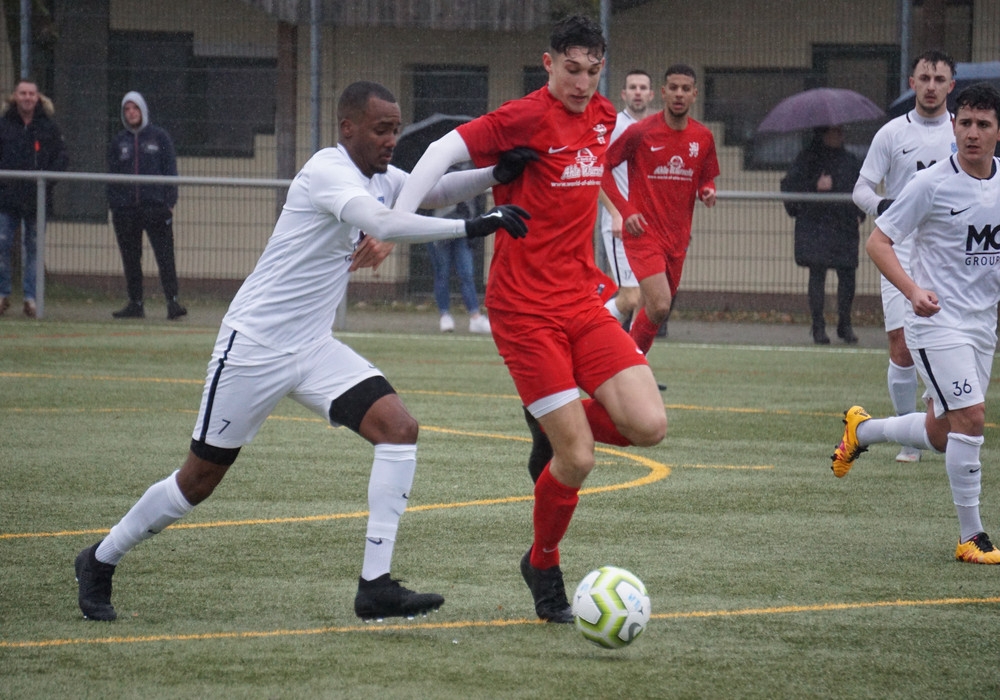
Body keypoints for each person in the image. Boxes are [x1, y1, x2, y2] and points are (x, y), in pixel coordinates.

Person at [74, 80, 532, 622]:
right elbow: (384, 223)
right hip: (254, 348)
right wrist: (474, 226)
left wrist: (494, 176)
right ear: (348, 128)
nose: (391, 140)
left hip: (313, 349)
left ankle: (375, 586)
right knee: (197, 480)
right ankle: (99, 559)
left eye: (394, 129)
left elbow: (432, 191)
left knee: (399, 428)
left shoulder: (382, 176)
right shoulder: (326, 171)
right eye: (381, 130)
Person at [393, 15, 667, 624]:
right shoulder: (524, 116)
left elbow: (631, 159)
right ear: (548, 64)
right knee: (579, 458)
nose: (582, 82)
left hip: (581, 299)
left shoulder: (604, 118)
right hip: (522, 309)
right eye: (571, 69)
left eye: (593, 71)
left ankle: (552, 419)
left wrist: (632, 213)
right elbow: (440, 153)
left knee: (650, 425)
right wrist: (394, 228)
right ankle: (543, 563)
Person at [832, 82, 1000, 565]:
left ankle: (861, 431)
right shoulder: (930, 184)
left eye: (982, 125)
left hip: (980, 326)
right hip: (935, 323)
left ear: (996, 131)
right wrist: (913, 291)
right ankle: (972, 536)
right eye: (964, 123)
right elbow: (879, 243)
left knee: (943, 431)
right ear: (954, 126)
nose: (971, 133)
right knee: (971, 419)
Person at [853, 50, 957, 463]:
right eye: (924, 78)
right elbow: (861, 190)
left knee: (946, 340)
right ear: (912, 83)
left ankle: (942, 421)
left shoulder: (963, 131)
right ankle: (908, 435)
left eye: (940, 79)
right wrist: (886, 207)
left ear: (952, 86)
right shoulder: (892, 133)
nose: (931, 86)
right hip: (900, 248)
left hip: (950, 252)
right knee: (900, 345)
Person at [601, 64, 719, 354]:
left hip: (677, 238)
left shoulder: (702, 137)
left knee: (651, 309)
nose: (679, 94)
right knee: (659, 303)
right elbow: (603, 168)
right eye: (674, 88)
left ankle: (624, 367)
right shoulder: (640, 132)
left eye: (685, 89)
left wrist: (707, 190)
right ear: (664, 93)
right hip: (643, 234)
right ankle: (622, 362)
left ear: (694, 94)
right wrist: (625, 210)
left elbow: (706, 175)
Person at [781, 126, 865, 344]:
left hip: (844, 226)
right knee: (817, 275)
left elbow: (862, 188)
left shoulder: (850, 160)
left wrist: (859, 213)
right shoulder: (807, 158)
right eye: (834, 131)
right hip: (816, 226)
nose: (840, 135)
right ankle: (818, 326)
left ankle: (844, 324)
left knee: (847, 276)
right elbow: (790, 188)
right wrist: (815, 186)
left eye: (841, 131)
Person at [107, 92, 186, 320]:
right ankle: (135, 303)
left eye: (135, 108)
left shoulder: (160, 138)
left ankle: (172, 302)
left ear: (143, 110)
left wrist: (169, 203)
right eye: (127, 109)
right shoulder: (118, 142)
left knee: (165, 257)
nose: (131, 113)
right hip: (125, 211)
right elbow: (111, 177)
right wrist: (115, 205)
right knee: (131, 258)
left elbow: (170, 171)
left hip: (156, 208)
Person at [0, 78, 67, 318]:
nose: (27, 97)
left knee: (34, 248)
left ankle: (31, 298)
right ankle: (2, 293)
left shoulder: (48, 128)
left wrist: (46, 183)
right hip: (6, 199)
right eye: (23, 93)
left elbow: (61, 158)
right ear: (15, 97)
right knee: (2, 244)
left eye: (31, 93)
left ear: (37, 97)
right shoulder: (4, 125)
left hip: (37, 200)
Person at [598, 69, 655, 328]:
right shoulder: (613, 128)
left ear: (652, 94)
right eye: (633, 87)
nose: (638, 92)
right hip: (620, 224)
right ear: (624, 94)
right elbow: (597, 173)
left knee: (647, 296)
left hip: (647, 225)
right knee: (630, 297)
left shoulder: (657, 128)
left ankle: (631, 355)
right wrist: (617, 213)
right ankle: (587, 331)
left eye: (643, 88)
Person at [426, 181, 491, 334]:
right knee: (442, 272)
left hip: (464, 227)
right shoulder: (438, 168)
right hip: (440, 226)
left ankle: (475, 317)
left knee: (466, 273)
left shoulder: (471, 167)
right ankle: (445, 315)